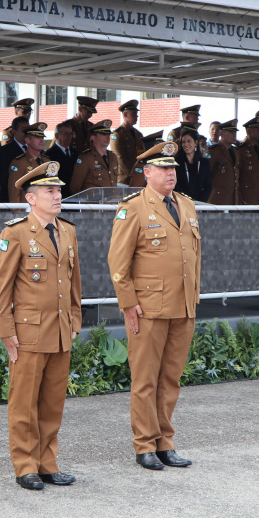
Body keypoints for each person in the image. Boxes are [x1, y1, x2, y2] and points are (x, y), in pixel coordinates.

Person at [107, 141, 201, 471]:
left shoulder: (187, 205)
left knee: (170, 379)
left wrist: (194, 298)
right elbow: (118, 262)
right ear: (147, 173)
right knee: (145, 380)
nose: (170, 173)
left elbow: (194, 258)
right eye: (163, 168)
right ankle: (144, 444)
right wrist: (128, 305)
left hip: (182, 307)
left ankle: (166, 442)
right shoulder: (133, 208)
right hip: (148, 309)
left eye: (173, 168)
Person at [0, 160, 81, 491]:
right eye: (49, 191)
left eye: (58, 190)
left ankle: (48, 462)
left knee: (52, 401)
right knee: (24, 402)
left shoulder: (67, 231)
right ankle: (25, 465)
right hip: (28, 332)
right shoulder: (14, 233)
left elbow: (74, 282)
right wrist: (6, 330)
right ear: (31, 198)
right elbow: (1, 289)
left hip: (59, 330)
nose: (57, 196)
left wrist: (75, 318)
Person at [69, 119, 119, 195]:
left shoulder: (113, 157)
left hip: (111, 204)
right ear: (93, 137)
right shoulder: (86, 158)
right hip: (93, 205)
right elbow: (75, 188)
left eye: (109, 134)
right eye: (104, 134)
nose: (108, 137)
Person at [6, 123, 47, 203]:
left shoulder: (47, 161)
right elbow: (14, 196)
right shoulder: (19, 163)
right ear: (27, 140)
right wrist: (18, 214)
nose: (41, 140)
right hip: (27, 212)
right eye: (37, 137)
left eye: (42, 137)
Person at [110, 100, 145, 185]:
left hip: (138, 176)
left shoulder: (138, 134)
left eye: (137, 114)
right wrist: (132, 173)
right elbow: (119, 157)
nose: (137, 116)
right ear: (125, 115)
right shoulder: (117, 134)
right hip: (124, 179)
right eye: (133, 114)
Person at [174, 123, 211, 201]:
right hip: (182, 203)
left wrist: (200, 203)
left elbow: (208, 186)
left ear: (196, 143)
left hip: (200, 205)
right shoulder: (176, 162)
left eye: (189, 141)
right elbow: (175, 185)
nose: (186, 144)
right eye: (183, 142)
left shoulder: (204, 163)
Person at [207, 119, 239, 205]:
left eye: (235, 132)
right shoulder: (213, 151)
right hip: (217, 200)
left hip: (233, 200)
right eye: (231, 132)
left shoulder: (236, 151)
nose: (234, 135)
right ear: (221, 134)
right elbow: (206, 174)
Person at [236, 119, 259, 205]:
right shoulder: (240, 150)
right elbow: (236, 177)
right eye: (257, 129)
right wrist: (239, 197)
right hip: (247, 198)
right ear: (248, 131)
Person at [45, 120, 77, 195]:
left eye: (70, 134)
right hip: (59, 195)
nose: (69, 137)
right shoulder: (49, 155)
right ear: (56, 136)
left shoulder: (76, 153)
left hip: (75, 195)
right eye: (66, 134)